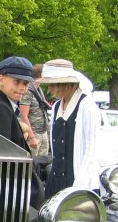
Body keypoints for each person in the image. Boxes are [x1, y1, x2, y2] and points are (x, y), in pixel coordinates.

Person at [36, 59, 101, 198]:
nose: (49, 90)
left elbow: (91, 150)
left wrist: (79, 186)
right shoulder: (56, 107)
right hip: (56, 181)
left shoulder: (87, 106)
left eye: (52, 85)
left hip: (78, 182)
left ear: (64, 83)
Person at [19, 64, 51, 156]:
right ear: (41, 76)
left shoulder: (38, 90)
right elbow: (23, 116)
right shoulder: (28, 91)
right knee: (33, 165)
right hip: (34, 133)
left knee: (43, 164)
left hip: (43, 132)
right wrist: (32, 137)